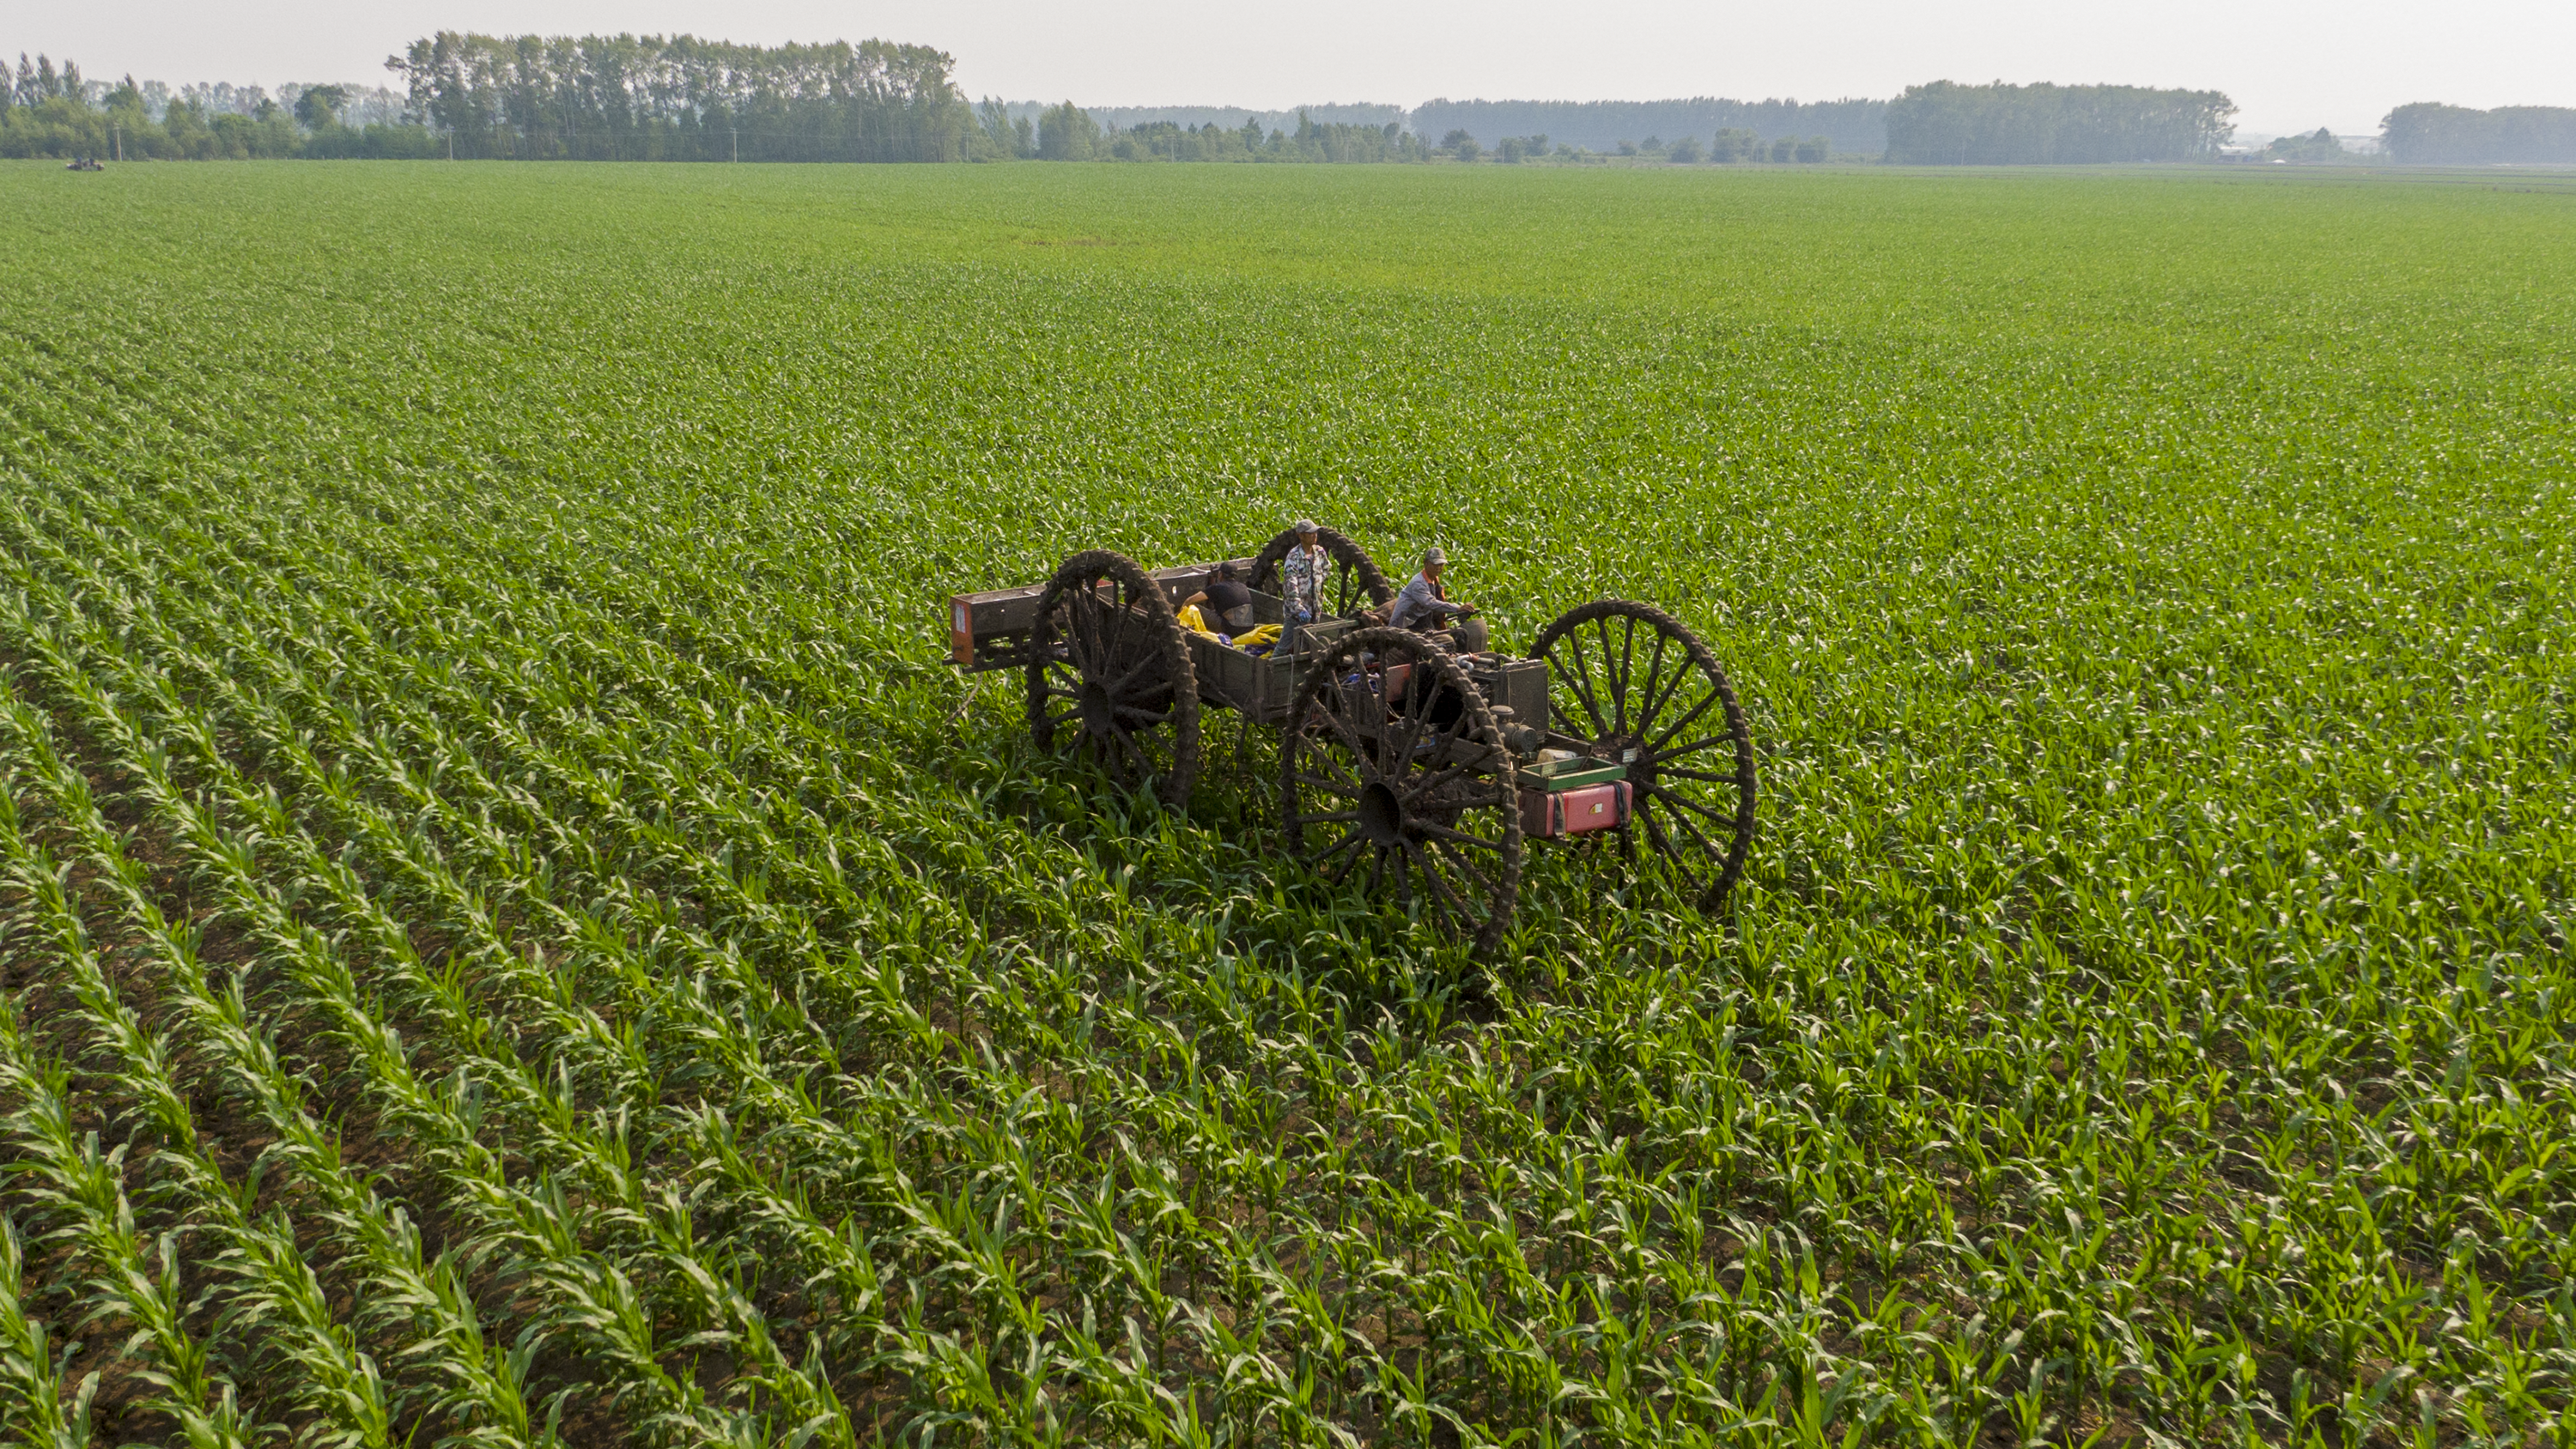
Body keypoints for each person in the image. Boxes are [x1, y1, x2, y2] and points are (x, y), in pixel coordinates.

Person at [1389, 547, 1479, 641]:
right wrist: (1457, 608)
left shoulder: (1434, 581)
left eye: (1441, 565)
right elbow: (1431, 603)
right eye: (1435, 564)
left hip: (1423, 624)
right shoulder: (1418, 584)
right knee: (1448, 641)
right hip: (1406, 627)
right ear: (1426, 563)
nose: (1438, 568)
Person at [1279, 518, 1328, 648]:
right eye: (1310, 533)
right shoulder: (1293, 557)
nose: (1314, 536)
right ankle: (1271, 667)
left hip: (1315, 610)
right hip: (1296, 614)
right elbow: (1290, 587)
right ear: (1300, 535)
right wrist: (1299, 609)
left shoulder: (1319, 552)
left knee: (1309, 647)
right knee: (1284, 647)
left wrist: (1318, 584)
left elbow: (1327, 569)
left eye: (1315, 533)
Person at [1182, 561, 1255, 635]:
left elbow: (1190, 600)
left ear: (1220, 574)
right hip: (1248, 629)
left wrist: (1182, 610)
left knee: (1193, 607)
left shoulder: (1217, 587)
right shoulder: (1243, 586)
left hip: (1230, 630)